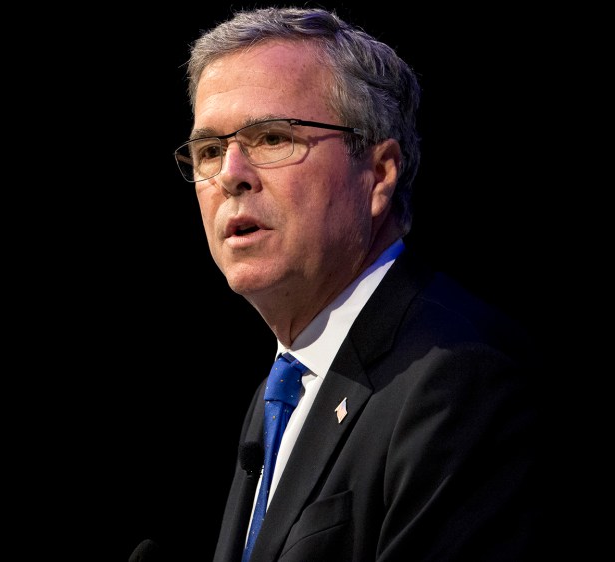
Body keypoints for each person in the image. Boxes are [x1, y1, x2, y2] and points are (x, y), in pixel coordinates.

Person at [169, 6, 550, 561]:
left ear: (379, 174)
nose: (230, 174)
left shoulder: (457, 380)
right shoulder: (283, 391)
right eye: (208, 150)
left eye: (272, 138)